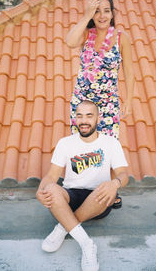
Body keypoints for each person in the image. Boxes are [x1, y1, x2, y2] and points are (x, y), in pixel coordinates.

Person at [36, 100, 129, 271]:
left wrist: (114, 184)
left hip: (99, 198)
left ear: (98, 119)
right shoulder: (65, 143)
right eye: (79, 116)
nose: (83, 121)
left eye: (89, 116)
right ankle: (87, 244)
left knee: (104, 189)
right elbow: (51, 176)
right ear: (75, 119)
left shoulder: (111, 143)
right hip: (71, 195)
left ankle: (63, 226)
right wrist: (40, 190)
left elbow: (124, 174)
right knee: (50, 189)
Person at [66, 0, 134, 208]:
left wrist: (129, 101)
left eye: (106, 10)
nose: (102, 15)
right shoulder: (86, 35)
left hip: (108, 103)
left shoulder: (122, 37)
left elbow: (129, 72)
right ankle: (81, 187)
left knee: (109, 145)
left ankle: (111, 189)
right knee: (81, 143)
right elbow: (69, 41)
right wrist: (86, 15)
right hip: (83, 103)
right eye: (97, 10)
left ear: (113, 13)